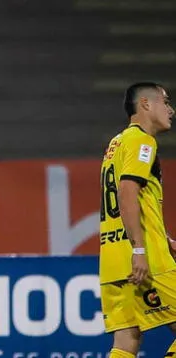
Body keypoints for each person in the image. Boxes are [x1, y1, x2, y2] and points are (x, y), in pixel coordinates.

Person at [99, 82, 176, 358]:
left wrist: (163, 237)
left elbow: (131, 200)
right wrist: (141, 249)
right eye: (166, 102)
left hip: (113, 261)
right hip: (146, 261)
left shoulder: (116, 144)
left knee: (126, 341)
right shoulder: (142, 140)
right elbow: (128, 191)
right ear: (145, 103)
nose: (171, 110)